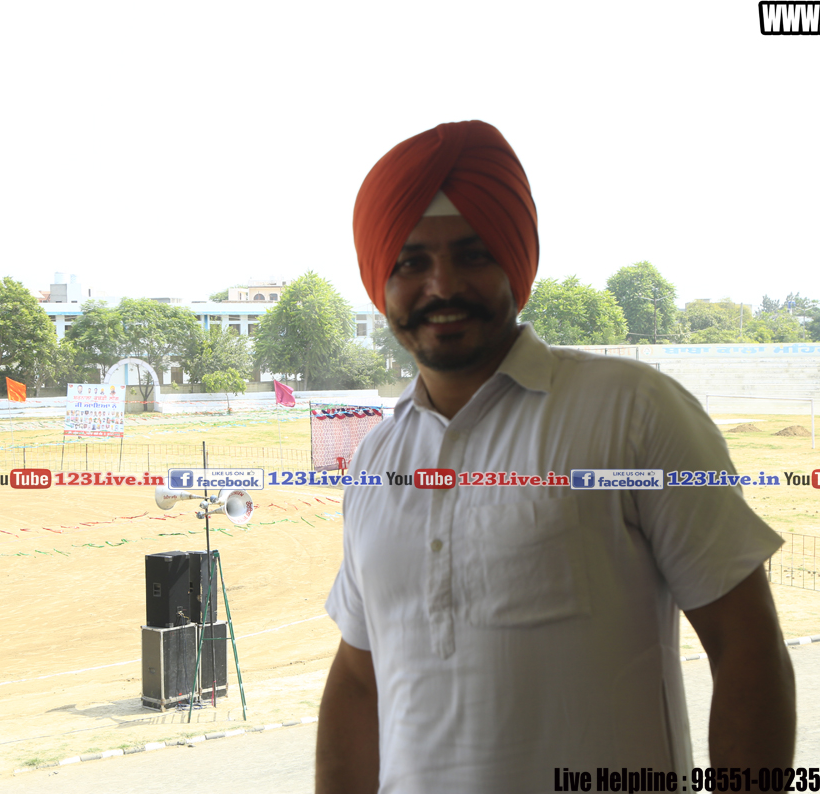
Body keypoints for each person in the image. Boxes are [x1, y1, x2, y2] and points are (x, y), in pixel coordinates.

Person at [316, 121, 795, 793]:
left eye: (472, 254)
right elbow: (359, 679)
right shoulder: (376, 460)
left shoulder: (634, 412)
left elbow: (746, 647)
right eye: (411, 263)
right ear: (380, 283)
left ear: (514, 264)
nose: (441, 285)